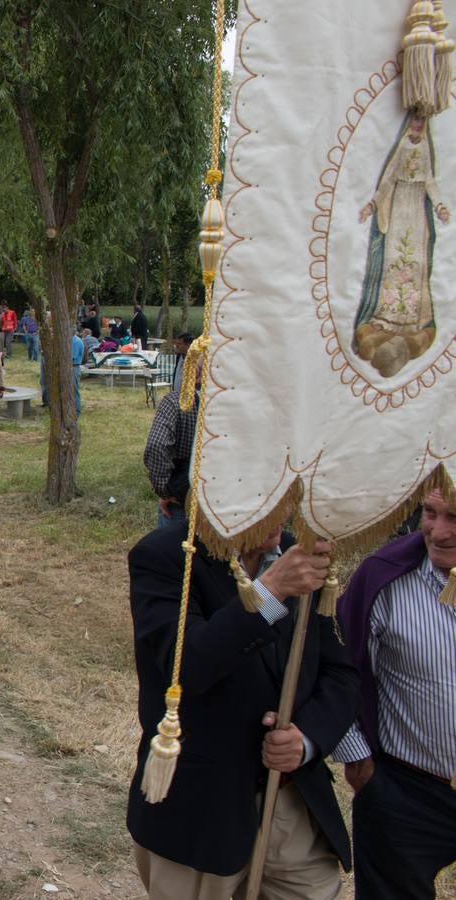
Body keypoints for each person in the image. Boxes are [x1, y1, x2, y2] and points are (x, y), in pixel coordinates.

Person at [126, 522, 357, 899]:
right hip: (201, 811)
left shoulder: (294, 552)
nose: (279, 519)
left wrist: (308, 739)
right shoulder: (168, 555)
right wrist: (271, 591)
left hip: (291, 800)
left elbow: (341, 672)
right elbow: (186, 667)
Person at [334, 487, 456, 899]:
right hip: (405, 793)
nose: (438, 532)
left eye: (454, 518)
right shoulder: (383, 578)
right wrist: (358, 758)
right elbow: (337, 669)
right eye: (430, 513)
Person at [352, 113, 448, 378]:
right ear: (410, 123)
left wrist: (439, 207)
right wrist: (372, 204)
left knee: (413, 262)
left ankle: (409, 323)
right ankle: (387, 318)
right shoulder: (403, 145)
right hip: (398, 207)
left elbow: (430, 181)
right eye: (414, 121)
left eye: (421, 122)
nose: (417, 125)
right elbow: (388, 179)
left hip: (417, 209)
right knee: (396, 260)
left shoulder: (425, 147)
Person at [142, 372, 198, 530]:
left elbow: (156, 445)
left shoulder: (176, 402)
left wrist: (165, 490)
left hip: (183, 497)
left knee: (174, 551)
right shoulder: (239, 404)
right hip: (228, 501)